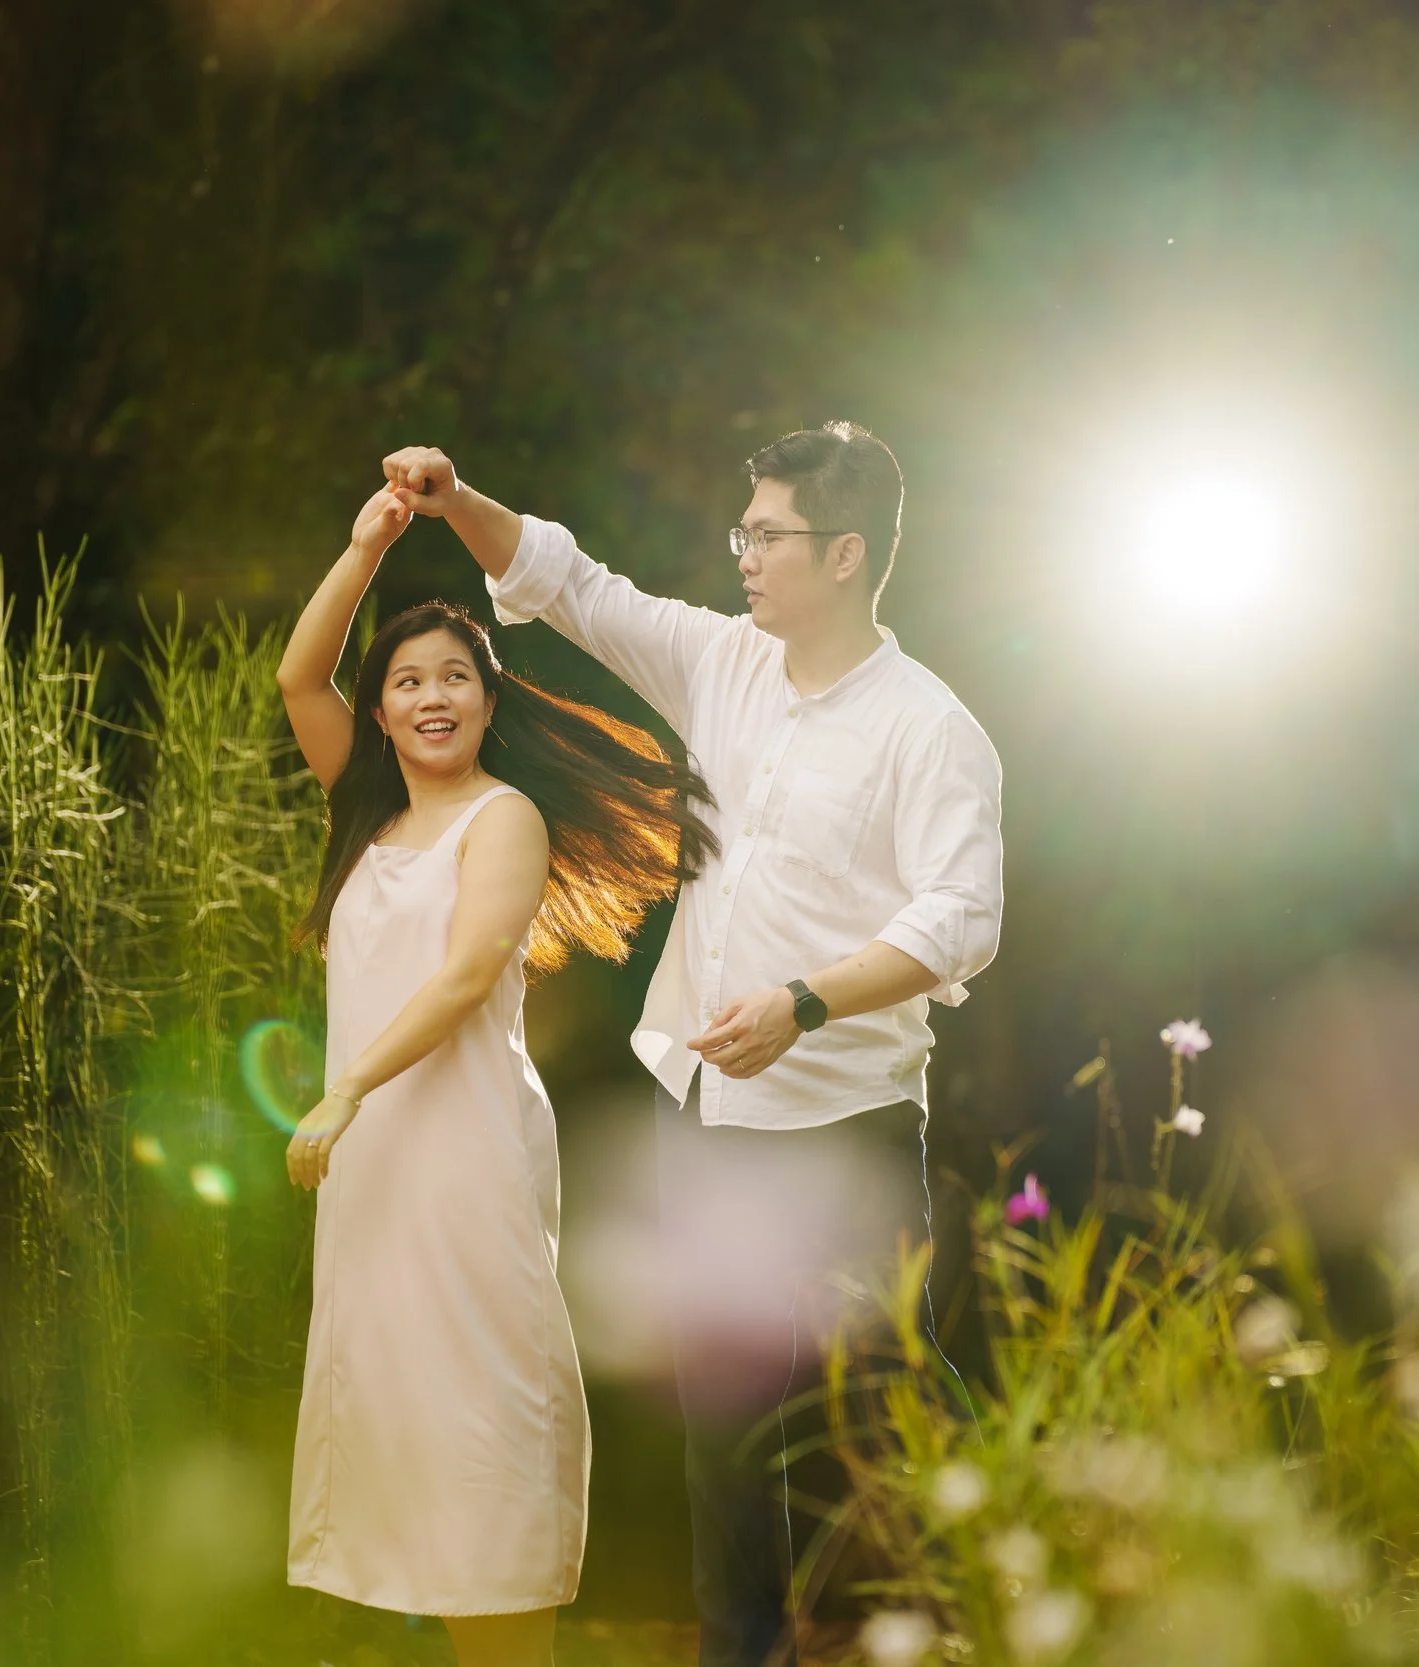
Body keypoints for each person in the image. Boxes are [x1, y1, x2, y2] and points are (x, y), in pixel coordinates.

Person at [380, 424, 1005, 1667]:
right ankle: (742, 1652)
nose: (745, 556)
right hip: (701, 1109)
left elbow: (959, 919)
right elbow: (577, 588)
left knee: (892, 1412)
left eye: (766, 535)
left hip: (842, 1122)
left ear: (843, 552)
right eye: (744, 532)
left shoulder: (930, 728)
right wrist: (458, 503)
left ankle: (1029, 1601)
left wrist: (803, 1001)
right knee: (718, 1438)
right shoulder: (724, 662)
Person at [274, 484, 716, 1667]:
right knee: (395, 1407)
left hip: (460, 1149)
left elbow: (470, 972)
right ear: (382, 707)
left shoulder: (504, 817)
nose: (431, 696)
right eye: (409, 679)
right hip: (372, 1165)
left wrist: (346, 1085)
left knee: (481, 1405)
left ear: (487, 698)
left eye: (455, 677)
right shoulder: (361, 812)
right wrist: (366, 542)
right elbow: (296, 681)